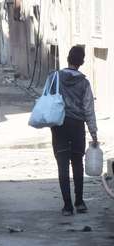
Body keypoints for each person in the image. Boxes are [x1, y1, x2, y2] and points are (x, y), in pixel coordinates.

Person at [51, 46, 98, 216]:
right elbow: (88, 109)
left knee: (62, 165)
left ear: (67, 58)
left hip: (59, 126)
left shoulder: (55, 77)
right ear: (82, 62)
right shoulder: (84, 83)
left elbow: (47, 100)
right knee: (77, 163)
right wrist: (93, 133)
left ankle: (67, 206)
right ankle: (80, 202)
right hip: (77, 126)